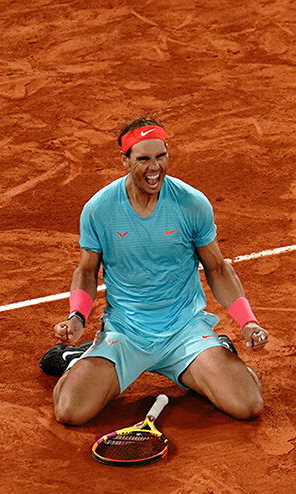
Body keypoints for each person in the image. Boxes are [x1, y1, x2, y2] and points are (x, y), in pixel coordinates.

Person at [42, 116, 268, 426]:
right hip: (126, 333)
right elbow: (86, 271)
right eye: (143, 159)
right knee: (69, 411)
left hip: (184, 332)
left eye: (160, 156)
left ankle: (211, 353)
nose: (154, 168)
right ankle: (77, 358)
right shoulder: (100, 209)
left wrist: (248, 322)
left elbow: (216, 268)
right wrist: (77, 317)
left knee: (248, 404)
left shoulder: (191, 204)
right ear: (125, 160)